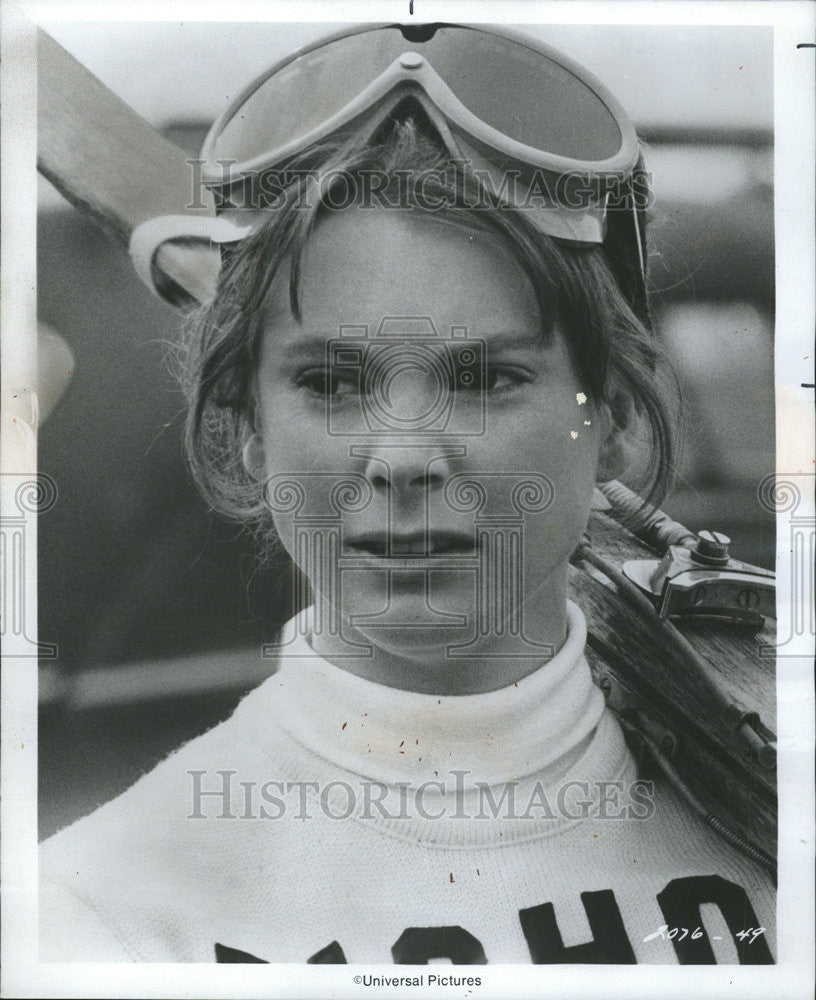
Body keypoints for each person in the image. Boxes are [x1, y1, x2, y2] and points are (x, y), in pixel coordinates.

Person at [40, 22, 775, 964]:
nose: (402, 459)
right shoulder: (103, 917)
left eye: (482, 379)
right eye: (333, 384)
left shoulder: (771, 783)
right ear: (246, 434)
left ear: (618, 420)